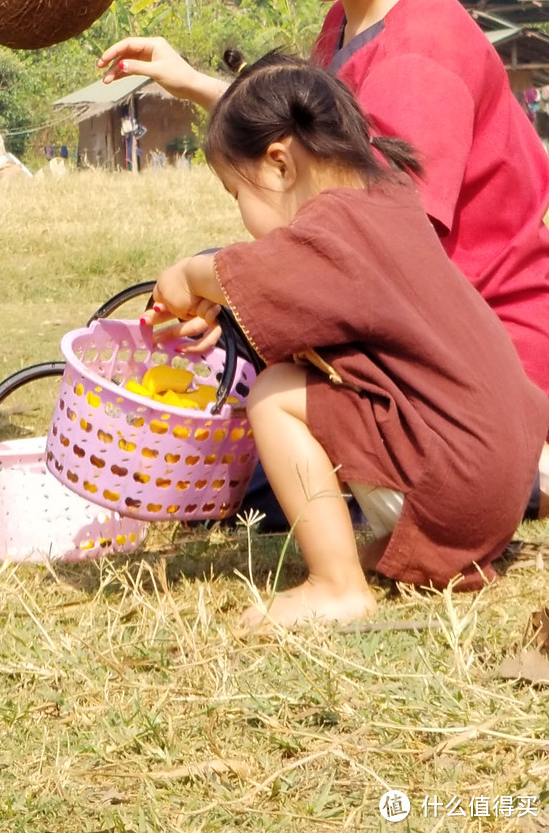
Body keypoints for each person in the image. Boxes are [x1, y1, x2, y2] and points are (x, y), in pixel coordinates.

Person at [102, 0, 549, 397]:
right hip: (423, 324)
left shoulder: (418, 60)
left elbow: (386, 257)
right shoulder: (355, 10)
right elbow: (317, 142)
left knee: (267, 397)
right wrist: (197, 85)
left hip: (486, 361)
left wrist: (227, 287)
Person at [147, 55, 549, 628]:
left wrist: (191, 274)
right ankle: (400, 548)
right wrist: (228, 289)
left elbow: (268, 271)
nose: (243, 219)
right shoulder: (388, 204)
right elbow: (285, 289)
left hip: (458, 488)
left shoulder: (333, 231)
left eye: (238, 196)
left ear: (280, 164)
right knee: (299, 383)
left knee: (274, 395)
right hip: (501, 488)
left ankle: (336, 587)